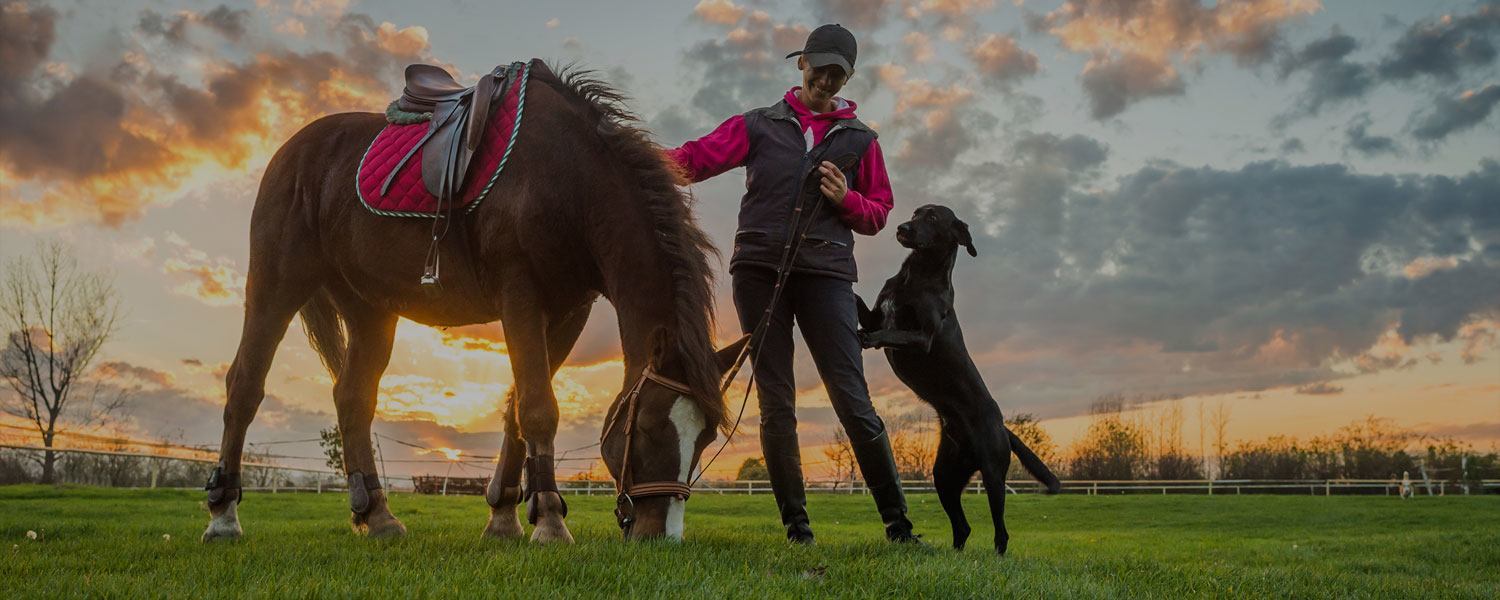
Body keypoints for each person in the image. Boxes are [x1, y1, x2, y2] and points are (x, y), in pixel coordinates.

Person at [667, 24, 917, 544]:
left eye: (837, 74)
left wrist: (847, 199)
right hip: (758, 274)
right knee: (776, 401)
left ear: (848, 77)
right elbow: (694, 160)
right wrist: (632, 157)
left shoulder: (861, 140)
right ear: (801, 63)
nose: (826, 81)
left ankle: (899, 528)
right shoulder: (758, 125)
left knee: (852, 397)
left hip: (826, 276)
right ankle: (797, 529)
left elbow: (878, 214)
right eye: (819, 68)